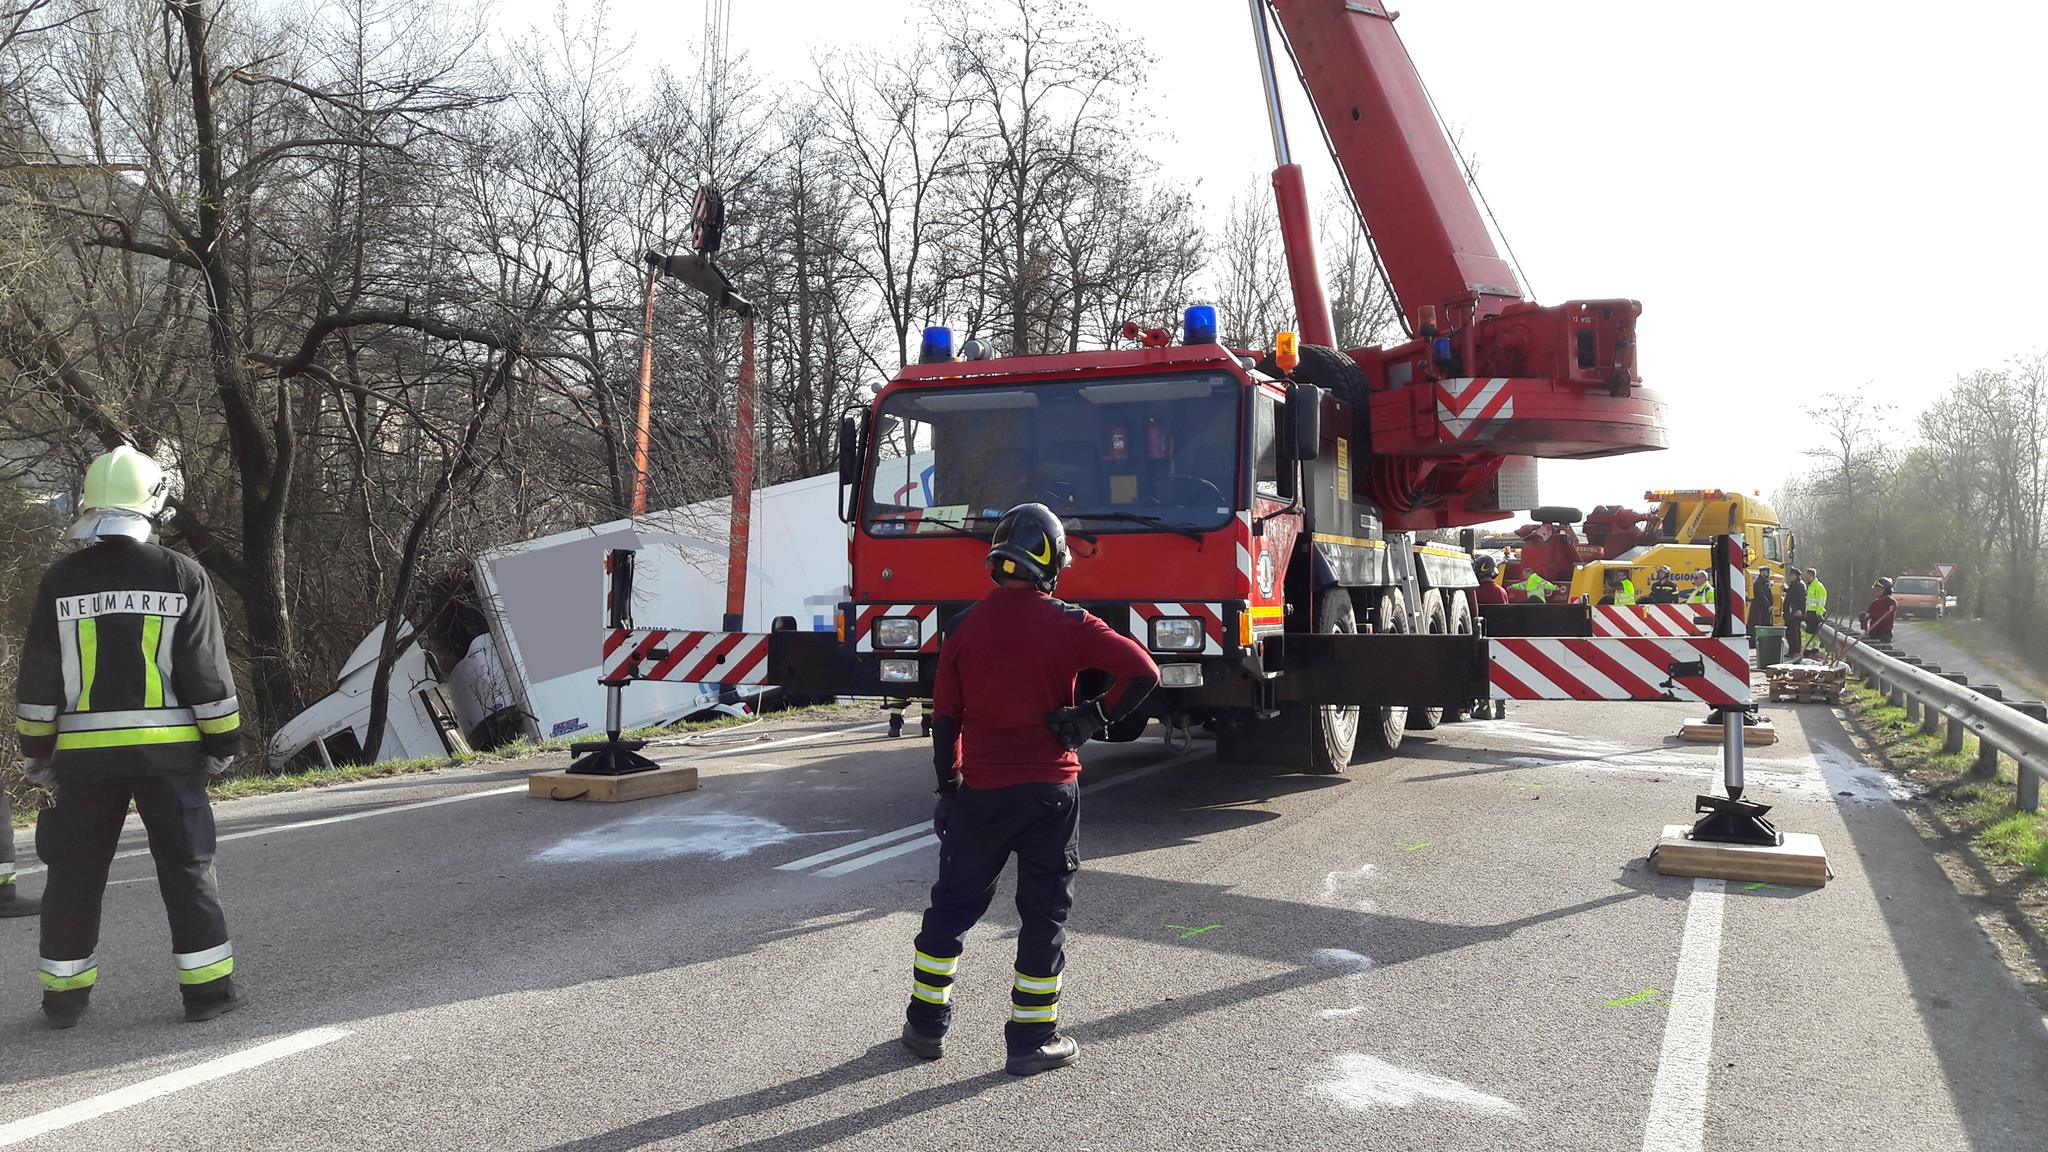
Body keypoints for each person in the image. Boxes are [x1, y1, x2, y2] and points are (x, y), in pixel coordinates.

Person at [903, 503, 1158, 1077]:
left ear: (998, 561)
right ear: (1052, 563)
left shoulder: (962, 627)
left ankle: (925, 1026)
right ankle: (1031, 1040)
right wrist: (1093, 716)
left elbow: (945, 719)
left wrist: (949, 786)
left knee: (952, 907)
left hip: (980, 793)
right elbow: (1144, 671)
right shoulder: (1071, 623)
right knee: (1043, 914)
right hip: (1050, 792)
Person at [13, 446, 244, 1029]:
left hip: (84, 762)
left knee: (74, 874)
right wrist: (223, 744)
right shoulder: (181, 575)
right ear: (155, 503)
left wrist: (36, 753)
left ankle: (62, 999)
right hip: (169, 755)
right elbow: (206, 673)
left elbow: (39, 680)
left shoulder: (60, 581)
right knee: (187, 865)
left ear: (91, 505)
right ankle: (207, 992)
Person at [1782, 568, 1808, 655]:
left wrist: (1800, 611)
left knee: (1795, 633)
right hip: (1790, 613)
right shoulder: (1794, 585)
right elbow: (1790, 593)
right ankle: (1791, 650)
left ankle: (1796, 651)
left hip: (1795, 613)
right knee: (1789, 633)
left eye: (1791, 575)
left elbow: (1802, 600)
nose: (1790, 577)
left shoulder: (1800, 585)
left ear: (1795, 576)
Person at [1804, 567, 1828, 641]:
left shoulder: (1818, 586)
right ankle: (1813, 648)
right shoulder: (1811, 586)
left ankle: (1810, 649)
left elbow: (1821, 601)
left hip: (1815, 614)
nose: (1806, 578)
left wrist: (1819, 614)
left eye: (1807, 576)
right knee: (1811, 633)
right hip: (1810, 613)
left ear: (1812, 576)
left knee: (1811, 633)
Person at [1750, 567, 1776, 632]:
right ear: (1762, 572)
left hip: (1766, 610)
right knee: (1761, 627)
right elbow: (1761, 596)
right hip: (1760, 610)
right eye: (1766, 572)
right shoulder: (1759, 583)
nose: (1768, 574)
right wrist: (1768, 605)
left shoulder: (1765, 583)